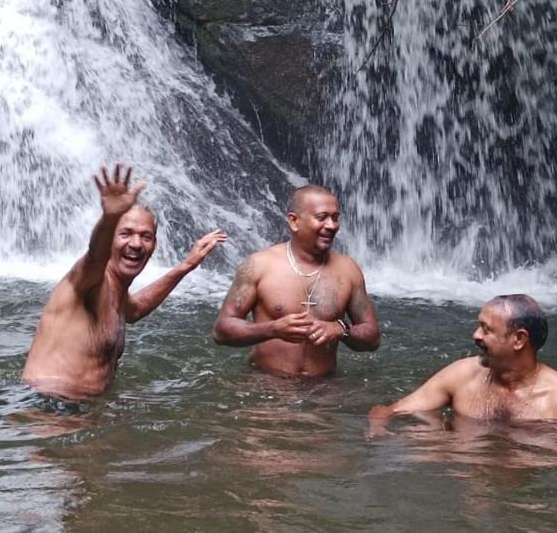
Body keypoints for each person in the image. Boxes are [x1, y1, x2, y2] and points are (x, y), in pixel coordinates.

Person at [22, 163, 226, 401]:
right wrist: (110, 217)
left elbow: (135, 309)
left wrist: (186, 265)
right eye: (125, 233)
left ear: (154, 246)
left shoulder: (117, 293)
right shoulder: (88, 279)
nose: (136, 244)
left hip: (82, 412)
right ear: (110, 239)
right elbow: (95, 254)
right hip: (48, 408)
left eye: (145, 236)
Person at [212, 184, 380, 376]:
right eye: (322, 217)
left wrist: (342, 329)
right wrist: (272, 329)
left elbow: (373, 338)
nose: (332, 225)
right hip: (266, 387)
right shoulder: (258, 265)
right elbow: (221, 330)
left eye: (335, 217)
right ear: (294, 221)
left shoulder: (348, 270)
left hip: (325, 389)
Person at [368, 294, 557, 427]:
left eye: (486, 329)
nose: (475, 335)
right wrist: (378, 435)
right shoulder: (462, 374)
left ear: (519, 339)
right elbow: (388, 411)